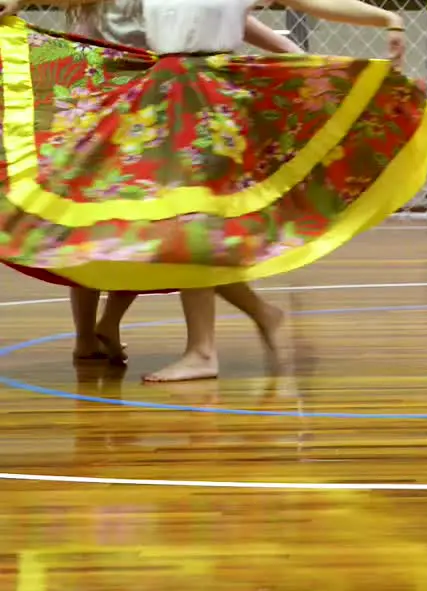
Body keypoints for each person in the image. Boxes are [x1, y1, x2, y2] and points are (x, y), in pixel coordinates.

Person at [0, 0, 427, 382]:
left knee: (190, 219)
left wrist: (388, 18)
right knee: (168, 219)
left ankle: (207, 347)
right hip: (163, 90)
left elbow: (310, 3)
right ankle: (228, 330)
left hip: (206, 95)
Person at [2, 0, 302, 367]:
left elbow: (227, 13)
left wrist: (288, 50)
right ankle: (96, 332)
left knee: (131, 226)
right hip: (119, 105)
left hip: (138, 106)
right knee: (120, 227)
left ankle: (100, 330)